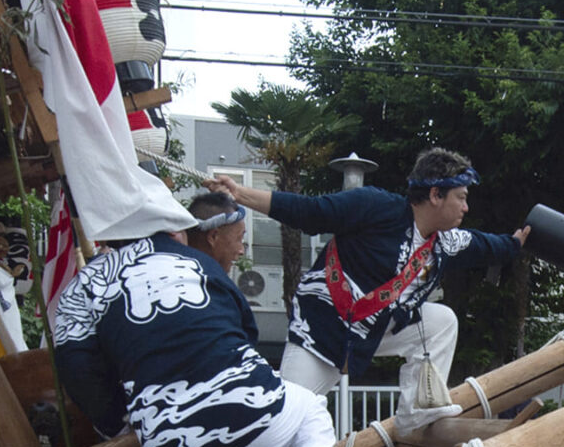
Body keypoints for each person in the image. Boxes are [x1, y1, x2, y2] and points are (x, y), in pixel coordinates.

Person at [51, 206, 382, 447]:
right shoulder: (192, 262)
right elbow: (245, 326)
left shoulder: (79, 289)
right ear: (172, 231)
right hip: (247, 400)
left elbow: (76, 367)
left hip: (173, 439)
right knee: (310, 410)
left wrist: (117, 423)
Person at [220, 148, 526, 417]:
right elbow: (310, 212)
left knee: (442, 321)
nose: (466, 208)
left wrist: (518, 242)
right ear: (435, 195)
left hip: (369, 334)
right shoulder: (374, 206)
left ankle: (416, 414)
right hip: (320, 333)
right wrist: (240, 194)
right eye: (461, 198)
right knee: (283, 421)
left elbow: (486, 245)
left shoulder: (445, 243)